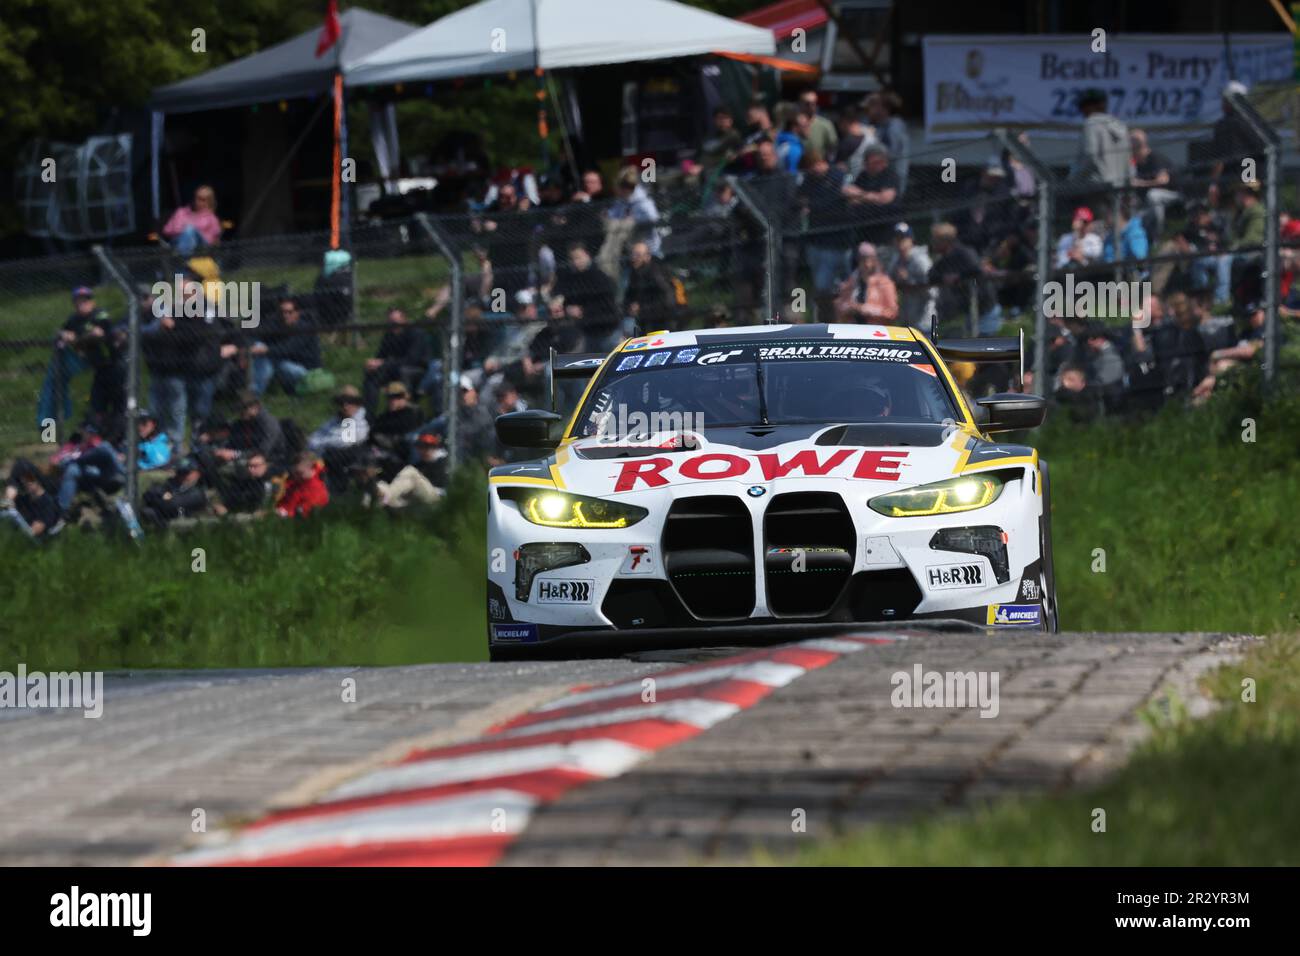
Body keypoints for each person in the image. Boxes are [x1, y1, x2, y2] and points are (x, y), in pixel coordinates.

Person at [35, 286, 103, 431]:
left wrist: (75, 339)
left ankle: (55, 417)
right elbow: (61, 332)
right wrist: (63, 335)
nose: (81, 304)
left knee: (55, 378)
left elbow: (99, 333)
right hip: (77, 358)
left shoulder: (99, 315)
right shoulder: (74, 319)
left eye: (85, 300)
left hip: (94, 360)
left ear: (92, 302)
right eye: (78, 301)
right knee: (53, 381)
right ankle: (52, 419)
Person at [798, 149, 852, 318]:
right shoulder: (809, 181)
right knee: (822, 287)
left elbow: (837, 198)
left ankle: (845, 320)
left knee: (843, 286)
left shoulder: (837, 176)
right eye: (810, 167)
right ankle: (825, 319)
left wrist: (815, 205)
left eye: (816, 164)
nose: (814, 169)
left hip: (840, 242)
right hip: (818, 243)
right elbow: (801, 199)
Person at [928, 222, 999, 334]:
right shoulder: (944, 258)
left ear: (946, 241)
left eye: (936, 241)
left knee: (984, 344)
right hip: (969, 309)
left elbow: (978, 270)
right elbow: (931, 275)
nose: (933, 244)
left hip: (985, 307)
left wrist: (958, 276)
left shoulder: (964, 252)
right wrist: (944, 278)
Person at [554, 243, 620, 351]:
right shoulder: (572, 279)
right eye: (572, 259)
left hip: (608, 332)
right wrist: (568, 308)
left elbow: (606, 305)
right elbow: (568, 300)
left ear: (588, 256)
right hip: (589, 334)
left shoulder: (599, 277)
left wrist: (583, 310)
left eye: (579, 257)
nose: (576, 262)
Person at [363, 307, 432, 410]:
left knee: (403, 371)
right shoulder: (389, 335)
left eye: (395, 322)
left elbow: (411, 360)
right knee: (371, 376)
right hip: (394, 368)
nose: (393, 325)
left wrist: (383, 363)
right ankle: (369, 415)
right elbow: (381, 356)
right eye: (390, 322)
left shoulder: (416, 333)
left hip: (417, 369)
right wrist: (373, 364)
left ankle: (406, 409)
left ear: (404, 320)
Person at [251, 297, 321, 395]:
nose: (285, 315)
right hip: (283, 362)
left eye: (289, 312)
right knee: (261, 347)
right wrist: (255, 346)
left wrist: (265, 350)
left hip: (306, 371)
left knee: (269, 357)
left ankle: (255, 392)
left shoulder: (305, 328)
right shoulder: (278, 323)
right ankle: (255, 390)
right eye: (282, 312)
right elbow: (257, 333)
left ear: (297, 313)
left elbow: (288, 349)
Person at [309, 385, 370, 495]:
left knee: (333, 454)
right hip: (322, 454)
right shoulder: (334, 421)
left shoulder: (359, 422)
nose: (345, 406)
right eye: (342, 402)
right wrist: (324, 444)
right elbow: (313, 439)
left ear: (357, 404)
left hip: (344, 457)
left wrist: (323, 444)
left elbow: (345, 442)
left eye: (349, 402)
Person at [1070, 89, 1130, 194]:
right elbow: (1129, 160)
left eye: (1084, 106)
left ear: (1092, 106)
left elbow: (1090, 157)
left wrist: (1074, 179)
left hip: (1096, 186)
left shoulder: (1091, 124)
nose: (1082, 111)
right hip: (1119, 186)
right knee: (1113, 211)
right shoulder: (1121, 126)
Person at [842, 144, 901, 245]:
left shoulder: (889, 175)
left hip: (885, 229)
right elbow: (851, 199)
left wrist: (861, 194)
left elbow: (885, 199)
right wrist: (874, 197)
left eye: (883, 161)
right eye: (876, 162)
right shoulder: (862, 176)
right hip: (864, 231)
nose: (883, 164)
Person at [881, 222, 935, 329]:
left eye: (903, 238)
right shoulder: (896, 260)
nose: (900, 242)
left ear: (911, 239)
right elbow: (887, 281)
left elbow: (932, 291)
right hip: (907, 319)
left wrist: (908, 279)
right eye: (897, 238)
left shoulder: (921, 260)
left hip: (924, 318)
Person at [375, 432, 446, 508]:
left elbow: (441, 487)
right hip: (415, 499)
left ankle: (384, 500)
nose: (425, 450)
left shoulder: (442, 462)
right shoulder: (419, 465)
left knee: (410, 470)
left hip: (436, 497)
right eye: (422, 447)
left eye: (428, 447)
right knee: (380, 485)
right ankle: (380, 503)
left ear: (435, 448)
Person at [1129, 128, 1179, 237]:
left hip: (1173, 196)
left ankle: (1158, 234)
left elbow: (1163, 180)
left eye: (1132, 147)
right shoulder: (1136, 165)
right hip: (1147, 203)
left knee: (1154, 195)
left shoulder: (1155, 157)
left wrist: (1141, 183)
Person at [834, 242, 898, 323]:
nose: (866, 264)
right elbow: (839, 307)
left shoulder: (885, 284)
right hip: (853, 329)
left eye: (869, 259)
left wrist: (866, 309)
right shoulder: (851, 282)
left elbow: (892, 313)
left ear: (875, 260)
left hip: (876, 331)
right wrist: (850, 308)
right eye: (862, 259)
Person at [623, 240, 678, 331]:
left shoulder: (656, 273)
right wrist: (630, 307)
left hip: (662, 324)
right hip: (645, 323)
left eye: (638, 255)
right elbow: (628, 296)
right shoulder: (635, 274)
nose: (633, 258)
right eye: (632, 254)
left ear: (647, 256)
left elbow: (668, 300)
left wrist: (641, 309)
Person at [139, 456, 208, 528]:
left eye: (186, 473)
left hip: (181, 524)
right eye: (180, 472)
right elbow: (149, 493)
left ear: (197, 473)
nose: (182, 476)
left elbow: (171, 505)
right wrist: (162, 495)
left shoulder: (198, 493)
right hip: (164, 519)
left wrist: (160, 497)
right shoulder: (173, 483)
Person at [2, 462, 63, 541]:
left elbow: (33, 532)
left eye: (30, 479)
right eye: (23, 479)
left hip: (29, 541)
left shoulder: (48, 504)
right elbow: (5, 507)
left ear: (39, 480)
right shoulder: (24, 498)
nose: (26, 482)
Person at [863, 91, 909, 195]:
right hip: (875, 178)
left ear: (882, 108)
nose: (867, 111)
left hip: (892, 179)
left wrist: (872, 141)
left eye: (870, 107)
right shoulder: (874, 124)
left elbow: (892, 152)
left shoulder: (894, 125)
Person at [161, 185, 222, 257]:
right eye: (196, 197)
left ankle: (182, 257)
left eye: (202, 199)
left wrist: (191, 231)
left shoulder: (212, 218)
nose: (197, 201)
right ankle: (184, 256)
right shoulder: (181, 212)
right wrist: (185, 233)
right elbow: (167, 230)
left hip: (201, 248)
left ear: (208, 202)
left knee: (190, 229)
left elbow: (215, 240)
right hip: (178, 241)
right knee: (188, 231)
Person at [212, 451, 274, 517]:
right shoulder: (247, 480)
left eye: (255, 466)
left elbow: (262, 506)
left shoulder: (269, 484)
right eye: (249, 466)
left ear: (265, 465)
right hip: (241, 511)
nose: (250, 469)